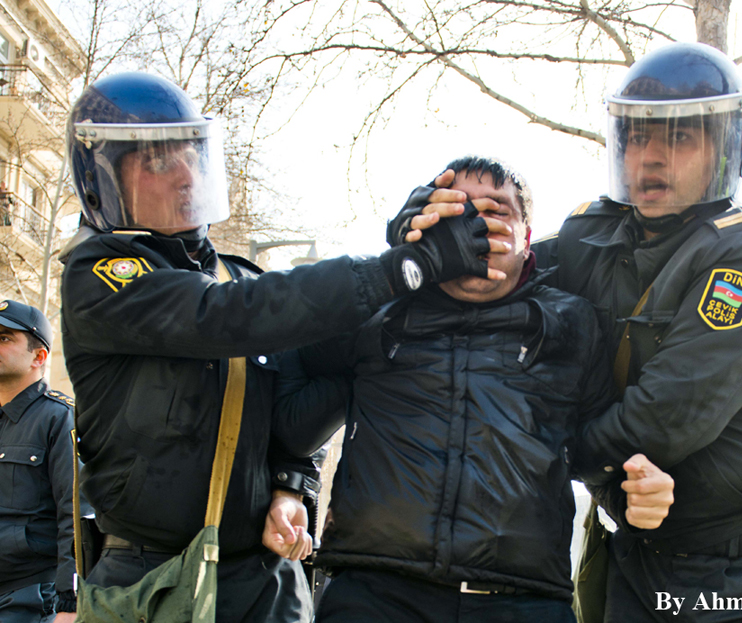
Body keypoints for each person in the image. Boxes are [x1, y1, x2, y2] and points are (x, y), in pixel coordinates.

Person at [388, 43, 742, 622]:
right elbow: (494, 270)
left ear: (723, 147)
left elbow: (661, 421)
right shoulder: (593, 234)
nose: (652, 158)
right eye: (640, 137)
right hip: (638, 555)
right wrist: (417, 234)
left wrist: (528, 451)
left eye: (680, 139)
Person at [60, 72, 502, 623]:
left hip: (263, 576)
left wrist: (291, 486)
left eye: (189, 155)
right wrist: (400, 269)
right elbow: (226, 317)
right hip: (153, 579)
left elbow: (301, 402)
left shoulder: (236, 278)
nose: (183, 175)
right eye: (154, 161)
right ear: (101, 180)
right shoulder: (101, 274)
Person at [277, 156, 675, 623]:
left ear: (527, 238)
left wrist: (636, 499)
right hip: (374, 594)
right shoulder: (376, 308)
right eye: (460, 210)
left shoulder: (576, 324)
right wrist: (286, 483)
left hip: (524, 601)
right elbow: (285, 383)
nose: (480, 224)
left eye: (499, 210)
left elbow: (600, 457)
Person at [0, 300, 87, 623]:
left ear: (39, 357)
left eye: (5, 337)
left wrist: (70, 603)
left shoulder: (60, 417)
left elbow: (77, 516)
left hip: (28, 596)